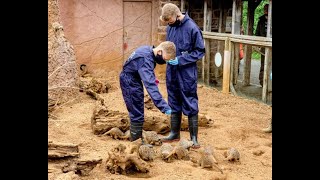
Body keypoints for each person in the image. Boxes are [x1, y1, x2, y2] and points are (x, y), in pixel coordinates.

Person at [159, 3, 205, 149]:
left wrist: (182, 60)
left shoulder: (192, 28)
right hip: (172, 70)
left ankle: (194, 138)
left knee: (190, 100)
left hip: (186, 72)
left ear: (177, 16)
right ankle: (174, 133)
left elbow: (200, 51)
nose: (169, 24)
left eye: (170, 21)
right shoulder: (170, 27)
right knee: (173, 99)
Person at [119, 41, 176, 143]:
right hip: (129, 81)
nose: (165, 62)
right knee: (136, 111)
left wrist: (152, 78)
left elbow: (143, 69)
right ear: (159, 52)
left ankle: (137, 140)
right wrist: (164, 107)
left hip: (133, 78)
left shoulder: (147, 50)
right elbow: (150, 86)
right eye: (165, 59)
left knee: (138, 108)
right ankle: (136, 143)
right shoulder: (145, 59)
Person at [255, 4, 269, 86]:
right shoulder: (261, 20)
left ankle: (269, 82)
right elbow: (257, 33)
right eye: (265, 9)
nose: (266, 10)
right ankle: (262, 82)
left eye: (268, 8)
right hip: (263, 45)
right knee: (263, 64)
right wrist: (257, 44)